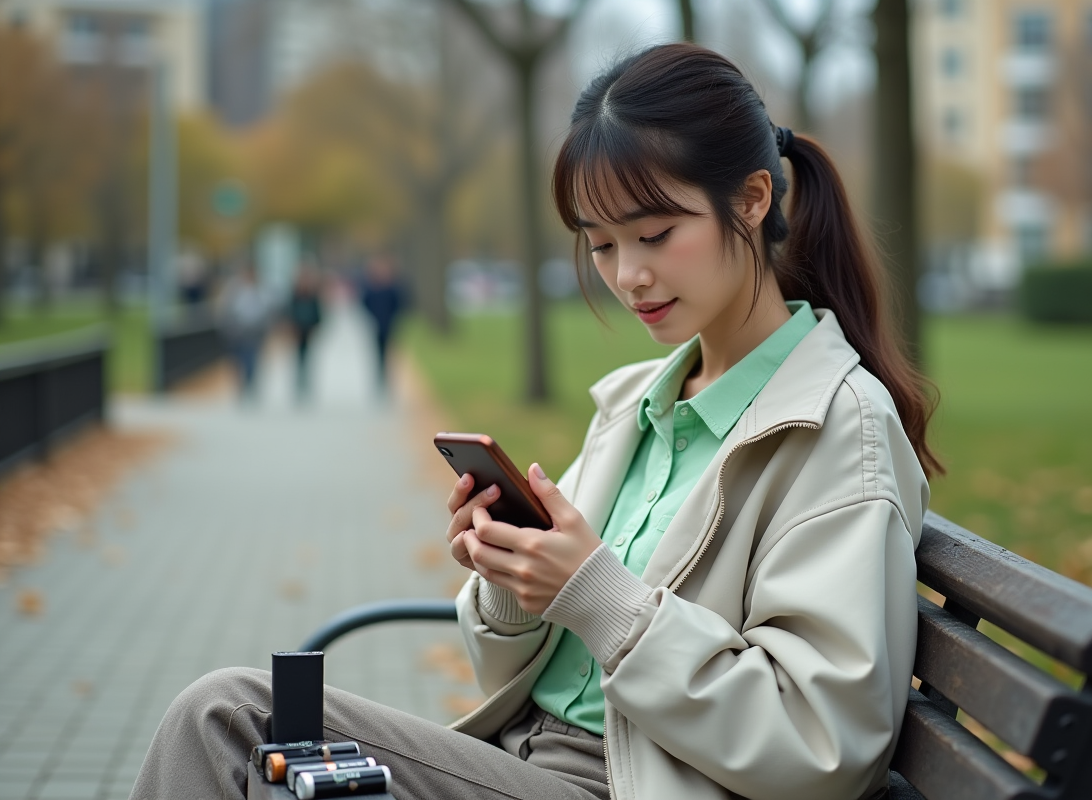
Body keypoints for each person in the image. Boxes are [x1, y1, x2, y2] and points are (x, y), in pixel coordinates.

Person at [129, 43, 939, 800]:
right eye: (601, 245)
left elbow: (823, 743)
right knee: (232, 726)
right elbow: (511, 677)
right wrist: (514, 585)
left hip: (626, 783)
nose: (630, 275)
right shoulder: (638, 403)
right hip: (514, 759)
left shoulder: (837, 430)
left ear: (753, 199)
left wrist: (598, 598)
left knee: (228, 720)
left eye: (656, 234)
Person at [216, 266, 273, 402]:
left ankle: (249, 387)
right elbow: (225, 312)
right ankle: (241, 388)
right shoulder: (234, 291)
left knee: (251, 362)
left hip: (253, 334)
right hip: (237, 334)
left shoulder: (260, 292)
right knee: (237, 363)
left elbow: (266, 313)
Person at [359, 255, 411, 392]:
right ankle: (380, 376)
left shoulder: (393, 289)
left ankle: (389, 377)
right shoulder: (372, 288)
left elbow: (402, 305)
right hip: (377, 326)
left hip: (391, 325)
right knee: (378, 352)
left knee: (391, 352)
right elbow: (365, 303)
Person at [287, 266, 324, 400]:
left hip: (309, 329)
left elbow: (318, 313)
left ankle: (306, 380)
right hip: (298, 330)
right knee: (298, 356)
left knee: (307, 356)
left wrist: (316, 327)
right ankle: (299, 381)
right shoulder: (295, 294)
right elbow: (290, 312)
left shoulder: (312, 295)